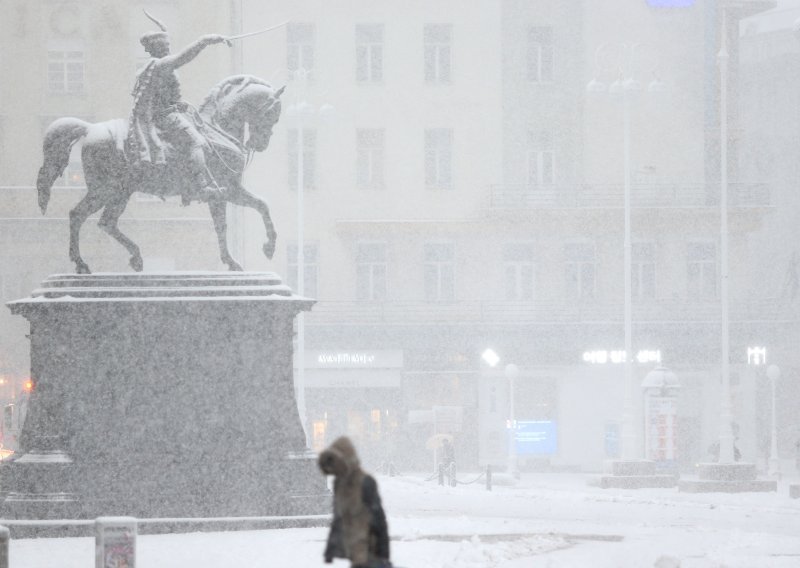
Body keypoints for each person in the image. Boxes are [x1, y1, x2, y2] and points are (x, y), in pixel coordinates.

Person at [127, 10, 231, 205]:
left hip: (169, 111)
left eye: (168, 45)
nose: (168, 48)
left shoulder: (154, 65)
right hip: (166, 118)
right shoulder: (160, 64)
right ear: (157, 48)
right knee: (197, 142)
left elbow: (160, 95)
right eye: (165, 45)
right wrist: (205, 40)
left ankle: (187, 180)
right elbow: (183, 57)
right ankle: (201, 187)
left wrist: (177, 104)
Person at [318, 436, 392, 568]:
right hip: (354, 550)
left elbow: (379, 520)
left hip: (370, 550)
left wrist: (384, 554)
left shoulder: (366, 482)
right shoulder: (339, 484)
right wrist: (330, 549)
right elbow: (338, 518)